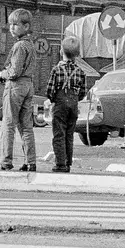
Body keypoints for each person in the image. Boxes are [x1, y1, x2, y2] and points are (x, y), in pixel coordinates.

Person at [0, 9, 37, 172]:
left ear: (26, 26)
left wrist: (1, 74)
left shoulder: (19, 46)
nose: (11, 27)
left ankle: (6, 160)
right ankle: (30, 161)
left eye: (15, 24)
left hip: (15, 86)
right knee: (26, 126)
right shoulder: (31, 45)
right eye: (10, 24)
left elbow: (14, 72)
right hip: (29, 85)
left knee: (8, 123)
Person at [45, 34, 87, 173]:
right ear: (78, 54)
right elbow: (82, 92)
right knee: (69, 135)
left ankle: (60, 163)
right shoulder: (80, 72)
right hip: (73, 105)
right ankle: (68, 162)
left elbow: (50, 90)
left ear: (61, 51)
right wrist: (74, 98)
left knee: (59, 134)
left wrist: (52, 100)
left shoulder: (57, 70)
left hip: (60, 105)